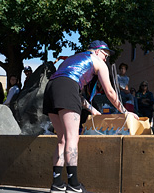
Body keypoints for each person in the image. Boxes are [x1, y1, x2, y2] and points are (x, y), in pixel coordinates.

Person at [43, 40, 139, 193]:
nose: (106, 58)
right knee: (72, 137)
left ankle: (57, 183)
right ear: (96, 51)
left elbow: (70, 90)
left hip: (50, 89)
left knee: (61, 139)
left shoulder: (70, 60)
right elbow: (110, 92)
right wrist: (125, 111)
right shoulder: (98, 62)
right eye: (105, 54)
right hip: (66, 89)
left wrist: (93, 110)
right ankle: (73, 184)